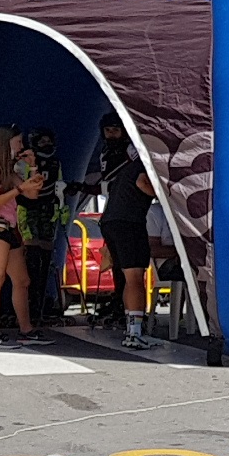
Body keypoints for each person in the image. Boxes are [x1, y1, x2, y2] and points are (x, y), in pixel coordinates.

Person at [0, 126, 45, 347]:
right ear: (7, 143)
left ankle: (26, 330)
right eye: (18, 142)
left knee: (22, 281)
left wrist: (32, 167)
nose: (21, 147)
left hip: (9, 228)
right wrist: (19, 190)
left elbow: (33, 194)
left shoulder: (9, 169)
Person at [94, 113, 158, 349]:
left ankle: (131, 326)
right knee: (135, 278)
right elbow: (143, 184)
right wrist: (165, 195)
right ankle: (135, 332)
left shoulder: (126, 168)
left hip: (110, 220)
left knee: (125, 278)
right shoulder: (143, 163)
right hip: (128, 221)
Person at [16, 128, 68, 326]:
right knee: (30, 255)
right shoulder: (24, 162)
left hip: (48, 210)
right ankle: (28, 304)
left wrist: (61, 205)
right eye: (42, 141)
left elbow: (59, 185)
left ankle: (40, 303)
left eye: (49, 140)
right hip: (28, 210)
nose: (46, 144)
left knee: (46, 255)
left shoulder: (56, 163)